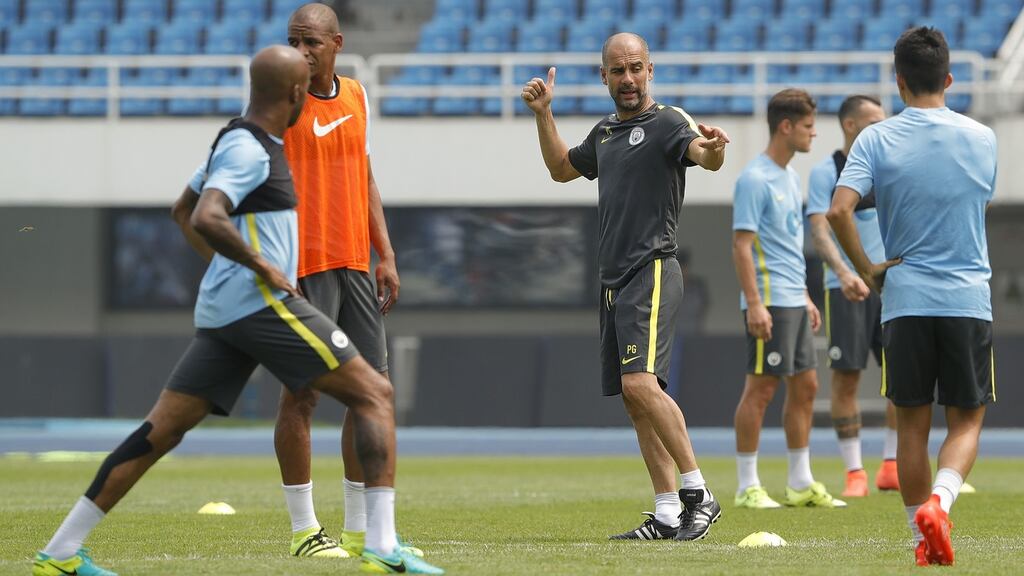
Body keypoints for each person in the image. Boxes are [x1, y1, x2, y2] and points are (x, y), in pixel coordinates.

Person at [31, 45, 443, 576]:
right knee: (376, 393)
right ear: (296, 95)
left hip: (224, 311)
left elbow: (180, 209)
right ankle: (382, 549)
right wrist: (263, 267)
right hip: (263, 304)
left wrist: (228, 268)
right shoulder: (254, 151)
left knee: (162, 430)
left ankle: (60, 552)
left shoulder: (233, 138)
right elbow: (206, 214)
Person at [521, 32, 729, 541]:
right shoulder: (605, 133)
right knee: (636, 400)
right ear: (604, 77)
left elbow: (703, 154)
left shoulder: (667, 122)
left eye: (636, 68)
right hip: (613, 281)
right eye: (618, 70)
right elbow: (560, 169)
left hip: (652, 269)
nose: (628, 78)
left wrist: (716, 149)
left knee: (640, 384)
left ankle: (698, 494)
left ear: (650, 71)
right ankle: (664, 512)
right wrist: (544, 114)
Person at [828, 27, 996, 567]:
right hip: (967, 297)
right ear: (948, 78)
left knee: (911, 425)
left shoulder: (875, 138)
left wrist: (869, 269)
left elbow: (838, 211)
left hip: (904, 298)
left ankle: (920, 535)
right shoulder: (983, 137)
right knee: (966, 421)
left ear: (899, 83)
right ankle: (941, 505)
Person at [274, 3, 410, 559]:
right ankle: (305, 531)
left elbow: (365, 173)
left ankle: (358, 531)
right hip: (304, 269)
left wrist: (386, 253)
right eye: (292, 41)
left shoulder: (356, 96)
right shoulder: (279, 102)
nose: (300, 51)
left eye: (310, 42)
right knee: (301, 396)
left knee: (372, 395)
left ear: (336, 42)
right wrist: (281, 268)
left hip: (355, 263)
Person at [731, 88, 846, 510]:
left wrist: (804, 296)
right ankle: (747, 486)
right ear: (786, 127)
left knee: (808, 386)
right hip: (769, 301)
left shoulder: (791, 176)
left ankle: (800, 482)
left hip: (793, 299)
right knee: (760, 390)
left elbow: (785, 245)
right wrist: (756, 303)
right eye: (809, 127)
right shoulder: (754, 179)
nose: (814, 135)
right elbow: (742, 246)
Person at [805, 95, 900, 497]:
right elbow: (820, 230)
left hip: (895, 287)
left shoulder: (892, 168)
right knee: (846, 379)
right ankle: (855, 472)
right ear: (849, 125)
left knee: (902, 378)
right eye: (873, 121)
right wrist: (846, 273)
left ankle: (893, 467)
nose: (882, 127)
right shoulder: (825, 172)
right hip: (846, 289)